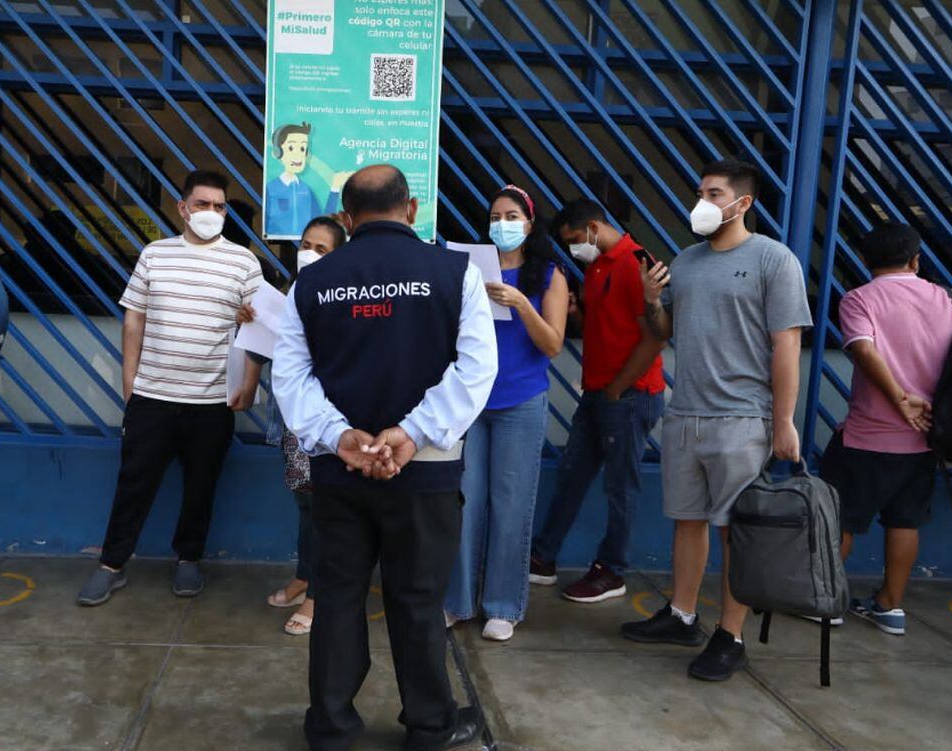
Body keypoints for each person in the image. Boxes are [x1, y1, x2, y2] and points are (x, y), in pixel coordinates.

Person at [273, 165, 495, 750]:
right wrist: (412, 434)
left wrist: (342, 437)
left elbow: (290, 376)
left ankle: (331, 727)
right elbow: (476, 371)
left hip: (339, 470)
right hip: (424, 470)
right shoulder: (456, 273)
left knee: (339, 595)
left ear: (346, 219)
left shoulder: (312, 284)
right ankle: (430, 727)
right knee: (418, 600)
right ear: (413, 209)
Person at [620, 158, 812, 682]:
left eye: (714, 192)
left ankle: (730, 635)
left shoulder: (775, 260)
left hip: (742, 418)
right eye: (701, 190)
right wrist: (652, 299)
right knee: (687, 521)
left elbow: (786, 345)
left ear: (742, 203)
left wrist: (783, 421)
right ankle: (682, 615)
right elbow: (662, 333)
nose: (702, 200)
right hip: (687, 414)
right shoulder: (685, 260)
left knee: (736, 533)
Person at [77, 169, 263, 605]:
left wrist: (248, 380)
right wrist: (130, 382)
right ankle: (112, 565)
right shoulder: (154, 254)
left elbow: (259, 330)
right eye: (203, 204)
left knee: (202, 486)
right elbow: (134, 318)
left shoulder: (243, 262)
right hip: (153, 397)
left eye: (219, 206)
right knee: (133, 485)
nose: (211, 213)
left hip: (212, 400)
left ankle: (188, 561)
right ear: (183, 208)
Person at [443, 186, 567, 642]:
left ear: (530, 224)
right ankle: (457, 601)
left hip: (521, 402)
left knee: (511, 505)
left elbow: (553, 344)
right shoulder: (472, 271)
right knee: (465, 503)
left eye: (512, 215)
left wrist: (519, 304)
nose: (503, 223)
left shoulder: (548, 276)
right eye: (496, 215)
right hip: (472, 402)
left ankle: (503, 606)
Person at [820, 223, 952, 636]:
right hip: (927, 437)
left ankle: (826, 602)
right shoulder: (950, 300)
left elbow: (863, 348)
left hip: (867, 436)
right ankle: (889, 606)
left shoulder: (860, 299)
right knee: (904, 523)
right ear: (916, 260)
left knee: (839, 520)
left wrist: (898, 397)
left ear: (864, 260)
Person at [529, 198, 666, 603]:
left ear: (593, 227)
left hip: (628, 395)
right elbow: (605, 326)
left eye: (575, 240)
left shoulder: (636, 263)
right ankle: (544, 556)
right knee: (572, 477)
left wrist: (618, 388)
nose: (574, 248)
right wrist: (575, 316)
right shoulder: (597, 266)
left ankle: (612, 569)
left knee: (620, 487)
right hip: (600, 392)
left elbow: (654, 337)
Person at [243, 217, 348, 636]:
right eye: (306, 244)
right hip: (291, 418)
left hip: (325, 419)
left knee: (324, 508)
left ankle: (318, 595)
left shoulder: (343, 296)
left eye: (322, 249)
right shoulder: (292, 291)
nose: (310, 253)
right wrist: (251, 320)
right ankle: (305, 574)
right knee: (305, 502)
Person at [264, 122, 350, 238]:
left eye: (302, 149)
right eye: (291, 148)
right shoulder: (270, 189)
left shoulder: (306, 190)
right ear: (277, 152)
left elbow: (322, 222)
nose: (298, 155)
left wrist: (335, 187)